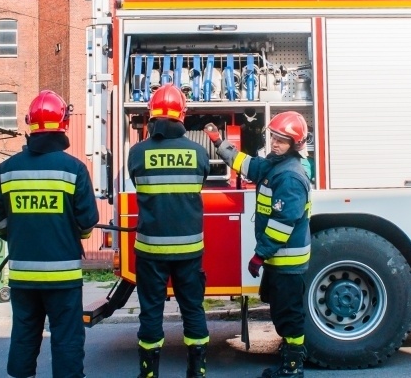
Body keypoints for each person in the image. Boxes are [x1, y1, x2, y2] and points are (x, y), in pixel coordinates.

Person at [0, 90, 99, 378]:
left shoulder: (7, 170)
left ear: (29, 124)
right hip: (63, 278)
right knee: (67, 339)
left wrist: (14, 234)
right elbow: (88, 221)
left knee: (24, 335)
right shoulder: (74, 169)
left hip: (24, 276)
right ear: (64, 123)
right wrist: (75, 233)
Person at [204, 111, 311, 378]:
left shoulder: (289, 176)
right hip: (279, 260)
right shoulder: (274, 164)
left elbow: (282, 224)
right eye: (273, 137)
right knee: (282, 311)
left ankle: (293, 367)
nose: (275, 143)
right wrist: (219, 143)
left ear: (294, 145)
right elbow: (246, 164)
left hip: (287, 261)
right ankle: (290, 356)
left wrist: (259, 256)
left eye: (282, 140)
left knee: (289, 315)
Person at [127, 84, 211, 378]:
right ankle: (197, 371)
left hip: (151, 251)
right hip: (189, 250)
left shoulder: (137, 153)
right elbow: (200, 182)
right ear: (181, 116)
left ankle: (149, 373)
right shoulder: (199, 153)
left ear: (151, 117)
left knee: (151, 312)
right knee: (193, 309)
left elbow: (138, 184)